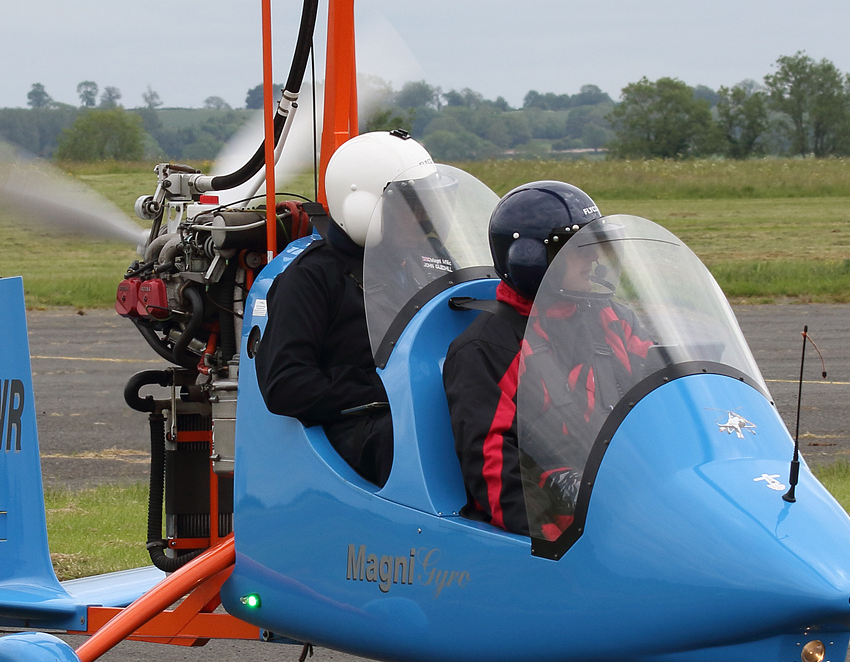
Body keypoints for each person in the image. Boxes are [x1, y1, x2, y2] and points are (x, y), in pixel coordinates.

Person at [443, 180, 653, 539]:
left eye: (594, 247)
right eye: (579, 249)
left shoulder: (610, 319)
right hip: (560, 525)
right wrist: (556, 539)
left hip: (623, 498)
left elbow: (666, 387)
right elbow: (491, 471)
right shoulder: (487, 348)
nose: (594, 259)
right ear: (530, 259)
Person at [253, 131, 435, 487]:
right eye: (412, 208)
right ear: (364, 207)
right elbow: (287, 385)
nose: (426, 220)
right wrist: (387, 390)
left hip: (410, 413)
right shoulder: (310, 278)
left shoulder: (418, 265)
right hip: (358, 429)